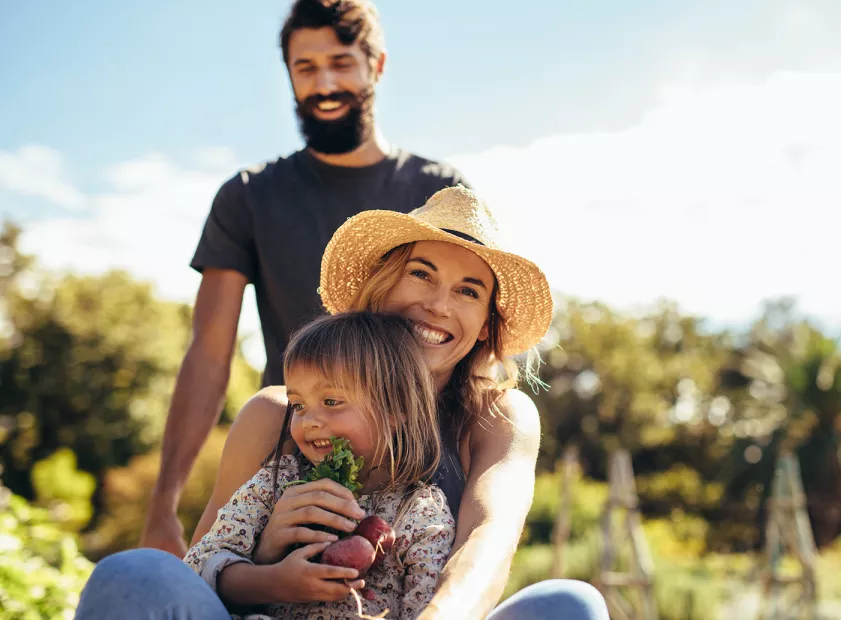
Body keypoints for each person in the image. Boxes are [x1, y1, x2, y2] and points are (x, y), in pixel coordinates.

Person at [75, 186, 608, 619]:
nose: (438, 304)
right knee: (133, 574)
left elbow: (486, 542)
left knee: (570, 605)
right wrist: (264, 559)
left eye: (469, 291)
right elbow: (200, 570)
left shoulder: (497, 416)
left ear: (486, 324)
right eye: (421, 273)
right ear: (379, 285)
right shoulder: (274, 414)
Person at [139, 0, 468, 559]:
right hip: (293, 452)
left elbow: (464, 333)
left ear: (377, 66)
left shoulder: (437, 191)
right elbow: (209, 354)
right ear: (289, 75)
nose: (325, 83)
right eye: (306, 68)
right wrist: (164, 501)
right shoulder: (249, 196)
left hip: (416, 461)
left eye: (341, 62)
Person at [183, 311, 454, 619]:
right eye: (298, 405)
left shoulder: (420, 513)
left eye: (331, 402)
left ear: (397, 407)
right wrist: (272, 580)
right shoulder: (277, 484)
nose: (309, 421)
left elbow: (428, 605)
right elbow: (195, 570)